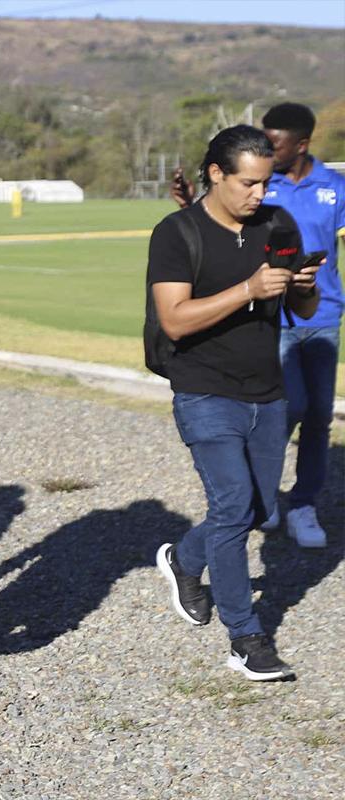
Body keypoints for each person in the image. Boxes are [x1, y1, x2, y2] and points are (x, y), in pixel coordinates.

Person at [152, 126, 321, 682]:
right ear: (217, 174)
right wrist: (249, 289)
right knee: (231, 506)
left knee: (256, 510)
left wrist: (300, 283)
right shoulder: (177, 233)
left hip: (266, 391)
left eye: (266, 183)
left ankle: (184, 559)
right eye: (248, 182)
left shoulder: (278, 223)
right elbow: (175, 318)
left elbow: (304, 302)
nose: (259, 194)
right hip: (203, 389)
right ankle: (246, 638)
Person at [170, 104, 343, 548]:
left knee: (319, 418)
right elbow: (223, 225)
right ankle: (258, 500)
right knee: (287, 408)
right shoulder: (262, 186)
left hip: (320, 316)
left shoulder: (335, 187)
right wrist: (193, 203)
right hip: (271, 318)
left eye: (276, 141)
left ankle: (303, 505)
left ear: (301, 144)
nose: (266, 147)